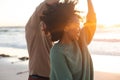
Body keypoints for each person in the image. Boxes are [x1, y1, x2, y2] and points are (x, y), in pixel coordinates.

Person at [40, 0, 96, 80]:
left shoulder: (81, 39)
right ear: (66, 28)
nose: (79, 28)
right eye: (76, 25)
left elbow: (92, 20)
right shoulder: (57, 52)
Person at [25, 0, 59, 80]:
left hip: (51, 76)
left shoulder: (49, 33)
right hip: (38, 77)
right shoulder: (33, 27)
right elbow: (48, 3)